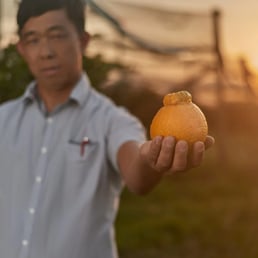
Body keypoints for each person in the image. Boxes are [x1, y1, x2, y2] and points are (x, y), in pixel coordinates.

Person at [0, 0, 214, 257]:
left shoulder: (112, 120)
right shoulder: (4, 118)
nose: (45, 51)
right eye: (33, 39)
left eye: (56, 36)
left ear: (83, 41)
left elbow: (137, 173)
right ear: (22, 48)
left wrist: (151, 161)